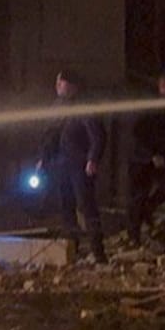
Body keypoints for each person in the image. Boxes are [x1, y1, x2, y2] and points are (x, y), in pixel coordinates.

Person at [37, 68, 108, 263]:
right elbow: (49, 135)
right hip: (61, 165)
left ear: (72, 85)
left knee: (87, 206)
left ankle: (98, 253)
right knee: (66, 207)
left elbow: (97, 135)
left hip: (79, 166)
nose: (57, 86)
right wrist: (43, 158)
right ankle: (72, 250)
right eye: (57, 82)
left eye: (61, 82)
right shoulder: (57, 107)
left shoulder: (84, 105)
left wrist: (93, 158)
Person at [126, 73, 165, 247]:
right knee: (138, 194)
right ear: (164, 86)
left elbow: (161, 135)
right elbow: (137, 132)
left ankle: (147, 210)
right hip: (140, 157)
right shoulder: (151, 105)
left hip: (156, 154)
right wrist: (151, 154)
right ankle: (134, 236)